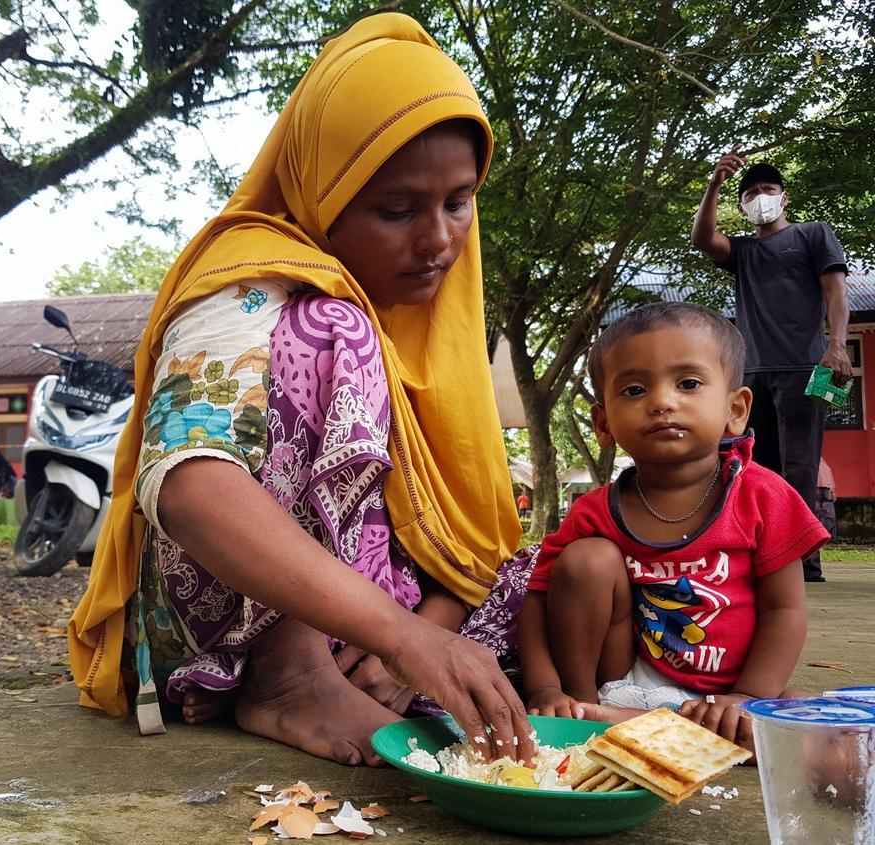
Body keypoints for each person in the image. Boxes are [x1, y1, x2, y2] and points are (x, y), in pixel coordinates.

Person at [71, 14, 533, 768]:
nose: (440, 240)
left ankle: (356, 659)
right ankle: (287, 674)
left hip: (368, 615)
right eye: (396, 209)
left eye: (459, 200)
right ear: (324, 190)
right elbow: (188, 487)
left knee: (538, 571)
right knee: (335, 332)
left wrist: (430, 630)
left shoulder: (430, 321)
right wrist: (401, 633)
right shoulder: (251, 290)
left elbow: (468, 533)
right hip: (215, 612)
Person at [520, 303, 830, 750]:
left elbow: (785, 610)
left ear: (735, 409)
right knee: (587, 559)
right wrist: (545, 688)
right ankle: (582, 712)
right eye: (633, 389)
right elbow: (538, 599)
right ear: (603, 423)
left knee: (824, 731)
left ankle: (654, 725)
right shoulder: (595, 510)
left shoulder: (765, 497)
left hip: (730, 692)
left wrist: (749, 697)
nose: (662, 401)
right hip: (625, 677)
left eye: (688, 383)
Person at [692, 153, 850, 582]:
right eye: (751, 194)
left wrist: (837, 346)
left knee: (800, 463)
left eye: (767, 191)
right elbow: (704, 239)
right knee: (754, 467)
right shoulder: (743, 251)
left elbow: (836, 293)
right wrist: (714, 185)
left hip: (805, 366)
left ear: (784, 197)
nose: (760, 198)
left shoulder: (813, 235)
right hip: (751, 374)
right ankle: (765, 554)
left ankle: (803, 562)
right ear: (742, 206)